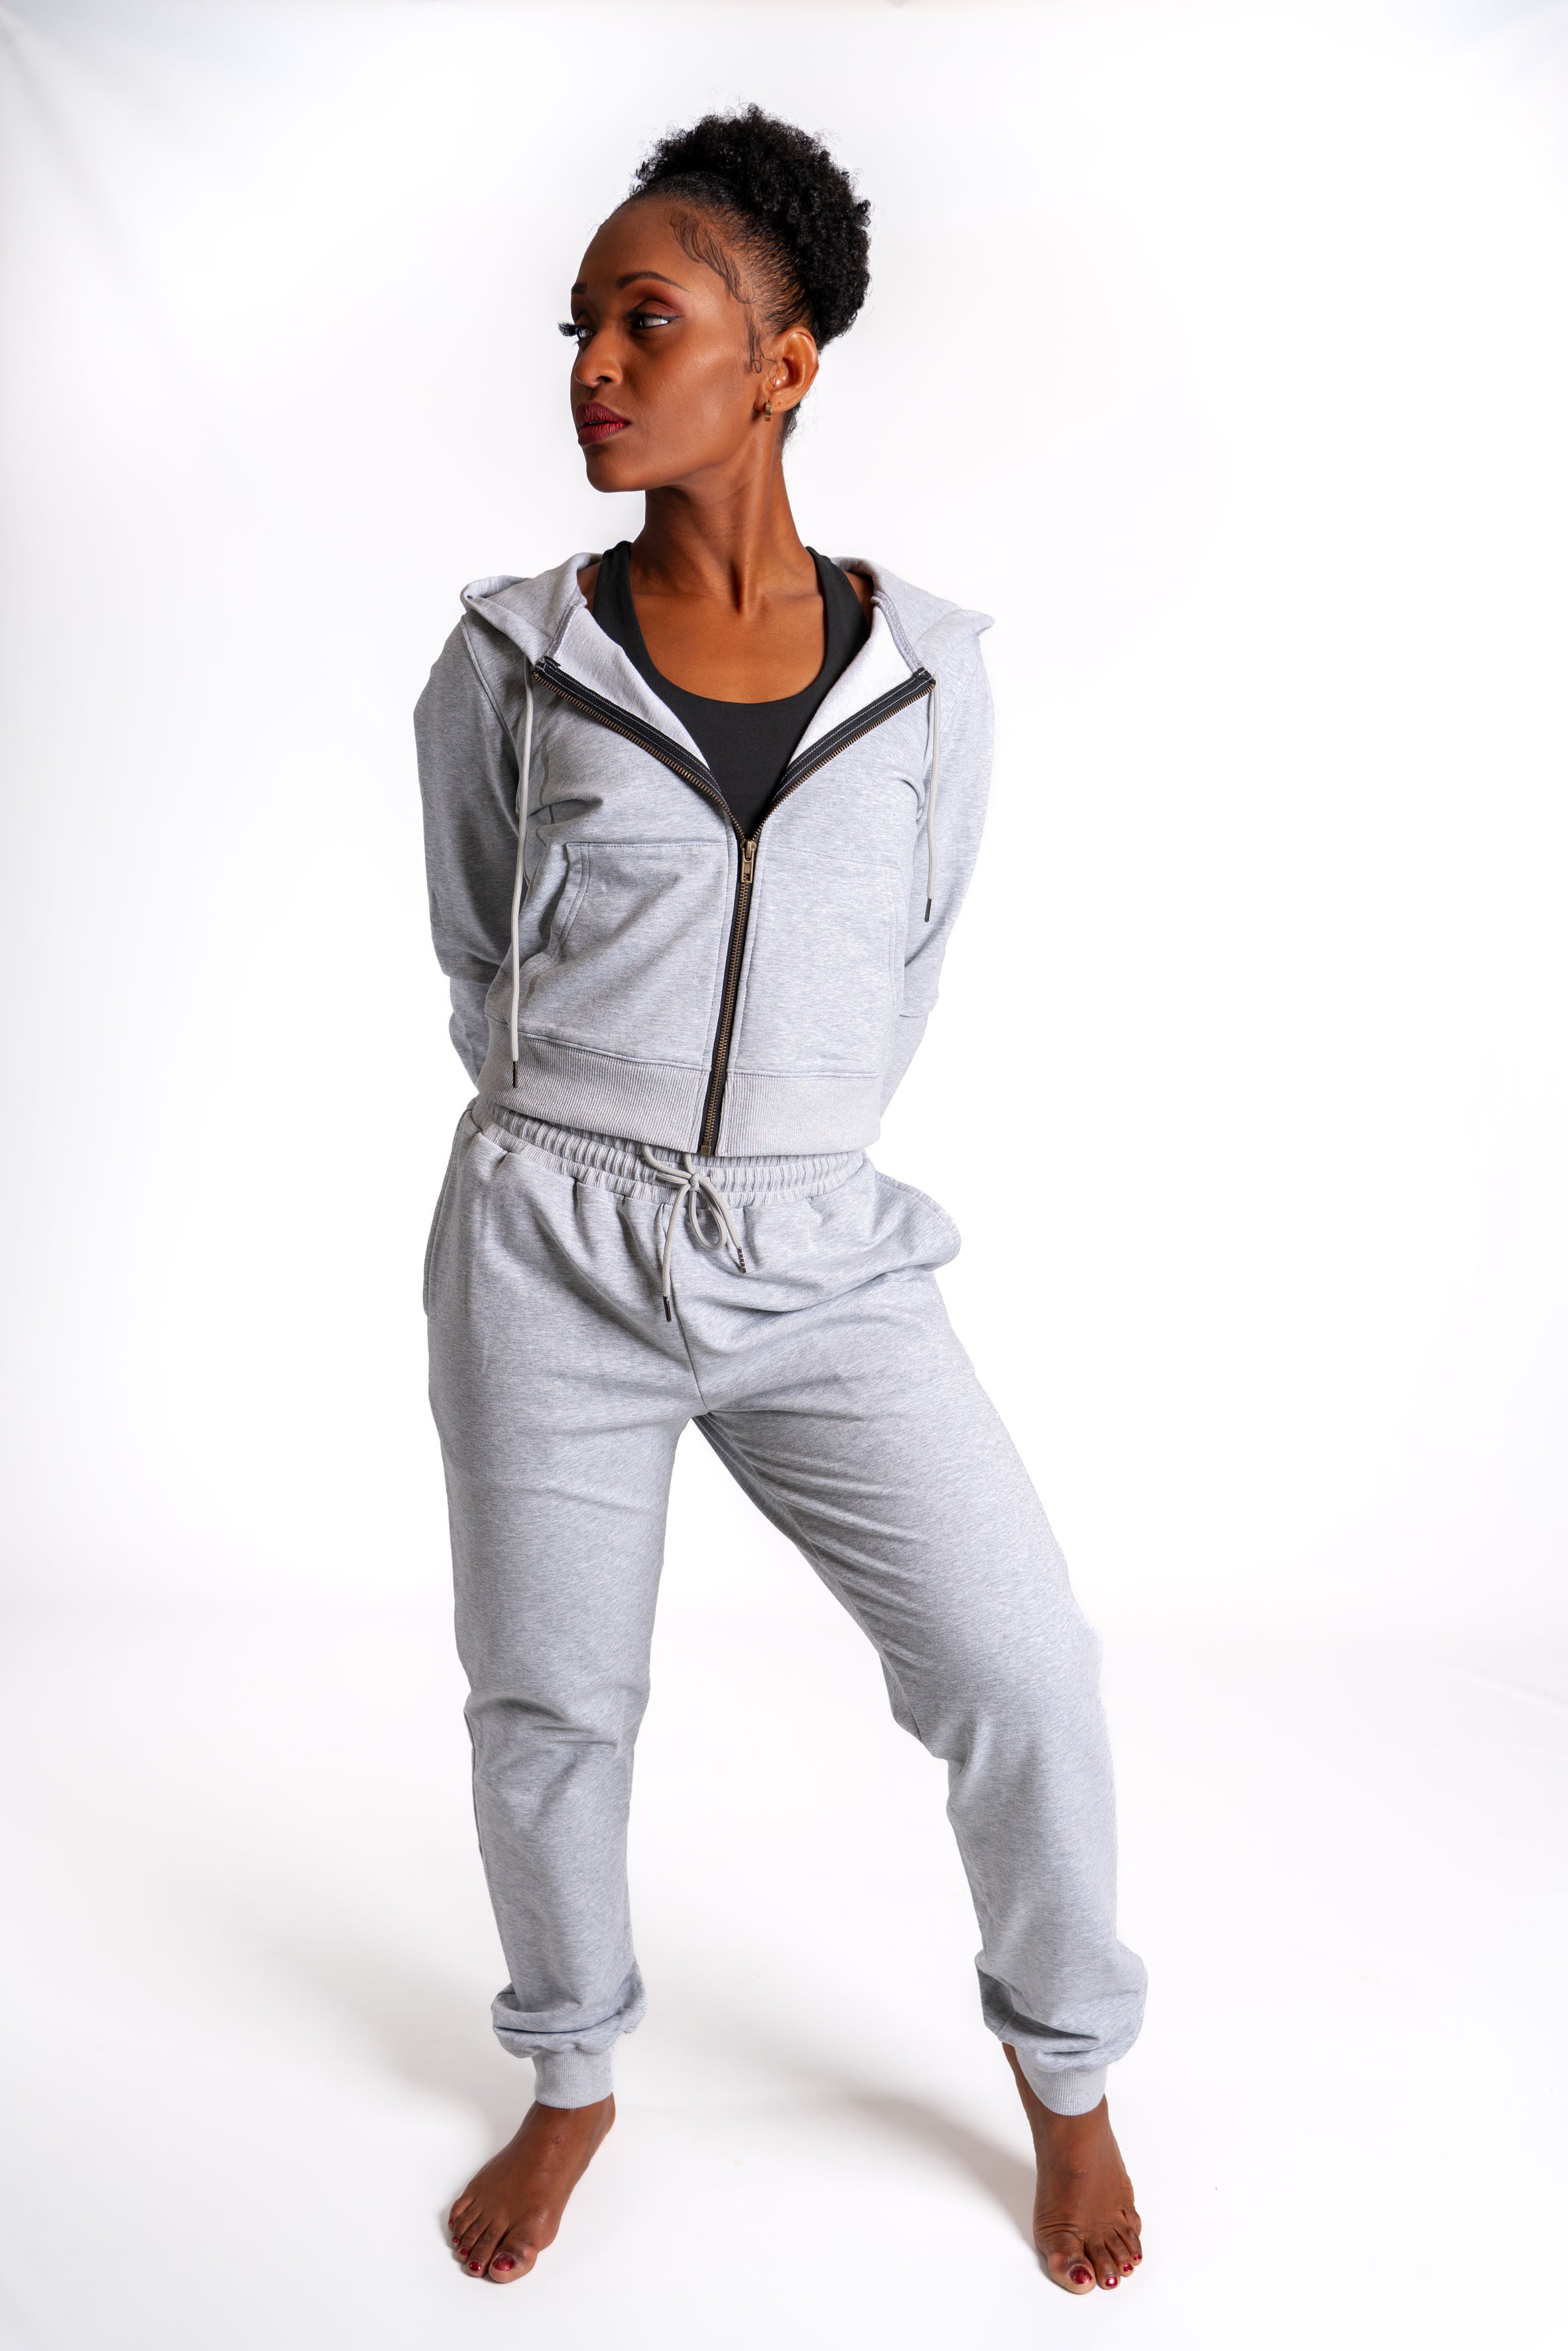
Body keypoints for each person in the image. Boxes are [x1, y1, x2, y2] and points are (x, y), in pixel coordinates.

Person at [414, 105, 1146, 2295]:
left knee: (1022, 1663)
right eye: (579, 326)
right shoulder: (509, 659)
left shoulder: (930, 678)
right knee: (552, 1705)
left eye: (647, 322)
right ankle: (569, 2072)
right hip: (549, 1239)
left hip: (822, 1249)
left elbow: (905, 953)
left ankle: (1069, 2075)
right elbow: (477, 944)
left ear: (786, 360)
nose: (593, 367)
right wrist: (587, 1131)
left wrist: (772, 1154)